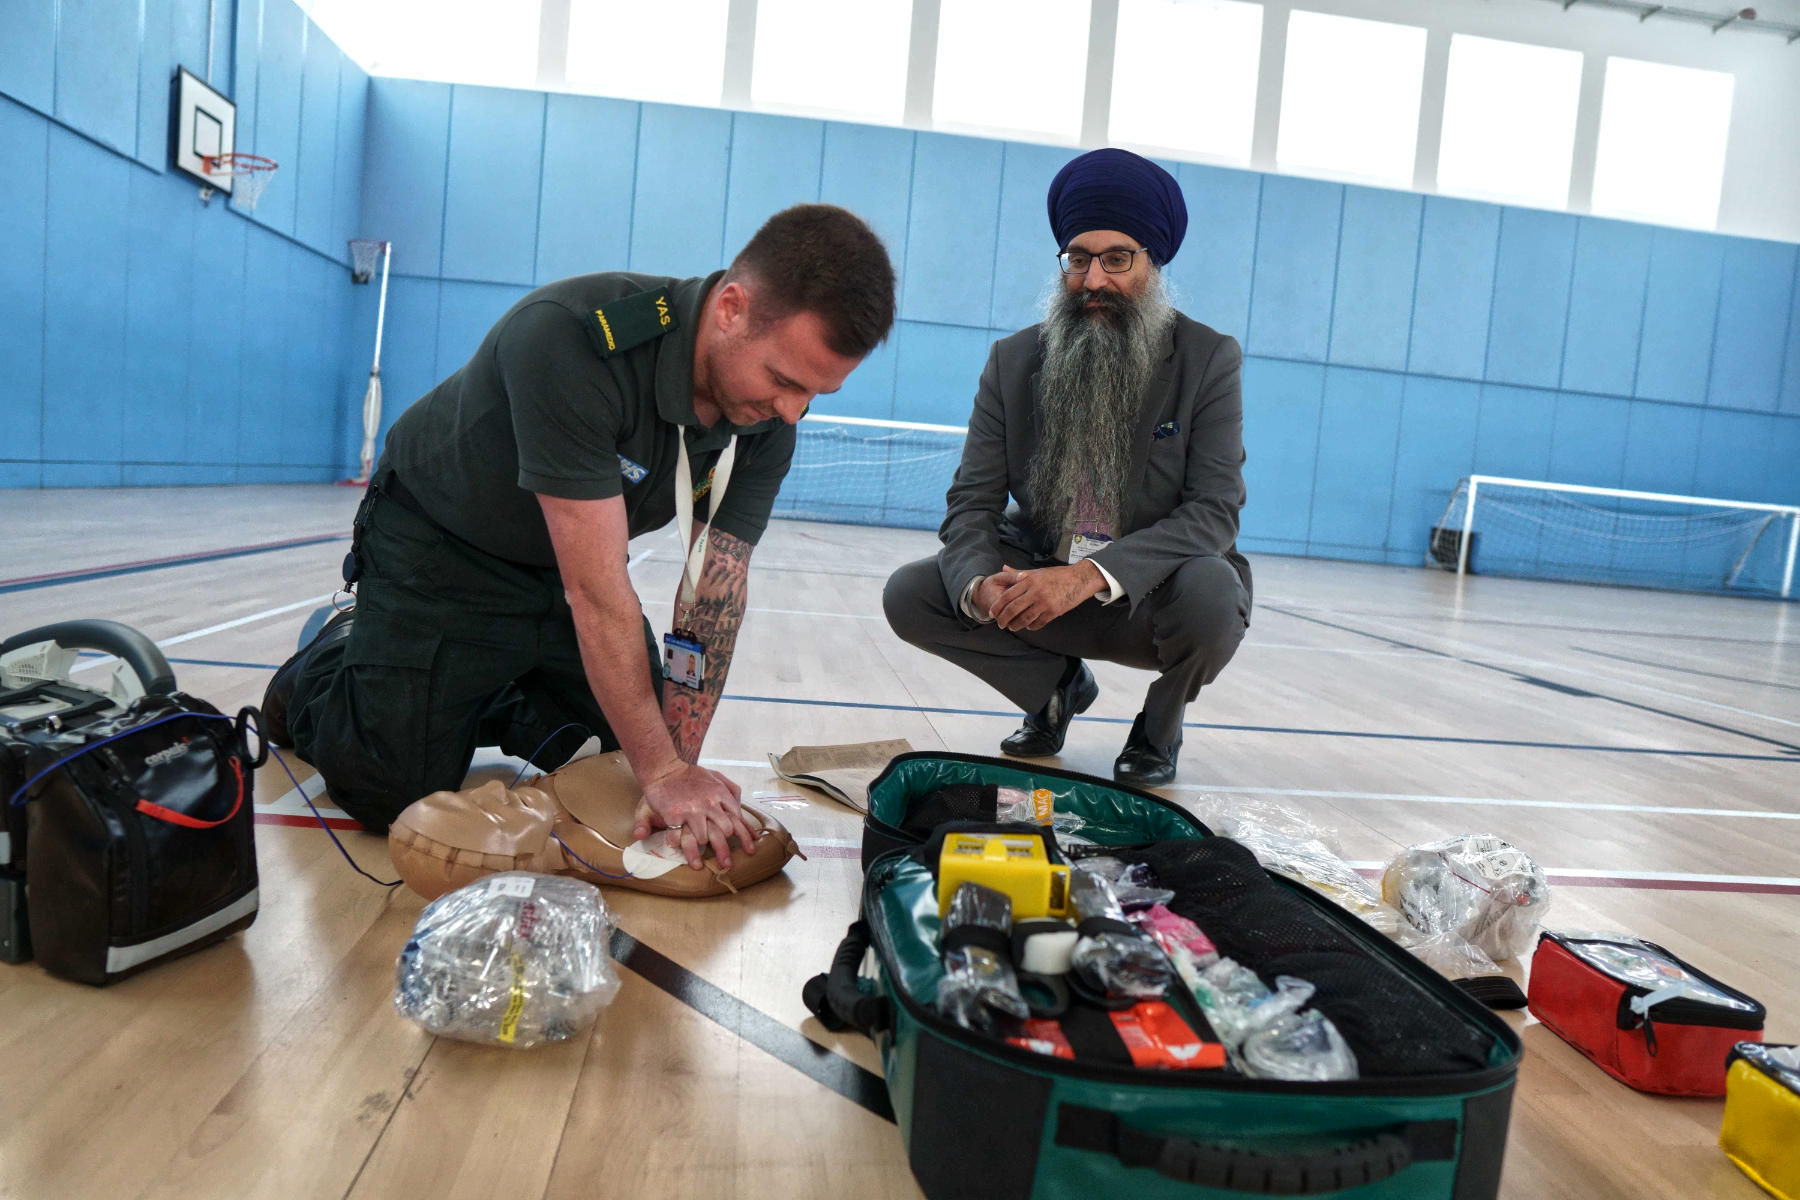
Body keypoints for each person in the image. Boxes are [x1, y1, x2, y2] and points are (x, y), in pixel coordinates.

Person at [263, 204, 896, 869]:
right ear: (731, 309)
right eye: (785, 381)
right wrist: (663, 774)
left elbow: (716, 589)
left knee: (621, 771)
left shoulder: (767, 421)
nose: (792, 412)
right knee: (390, 794)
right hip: (444, 546)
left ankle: (472, 686)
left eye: (815, 395)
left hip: (569, 573)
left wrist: (675, 768)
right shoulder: (572, 340)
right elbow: (596, 592)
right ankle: (327, 665)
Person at [882, 148, 1250, 786]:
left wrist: (1088, 576)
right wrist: (977, 586)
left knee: (1216, 595)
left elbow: (1214, 511)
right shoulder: (1012, 360)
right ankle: (1055, 690)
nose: (1094, 281)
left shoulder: (1207, 359)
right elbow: (972, 504)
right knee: (913, 592)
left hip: (1149, 595)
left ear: (1153, 264)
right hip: (1040, 588)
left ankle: (1159, 730)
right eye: (1078, 259)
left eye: (1117, 259)